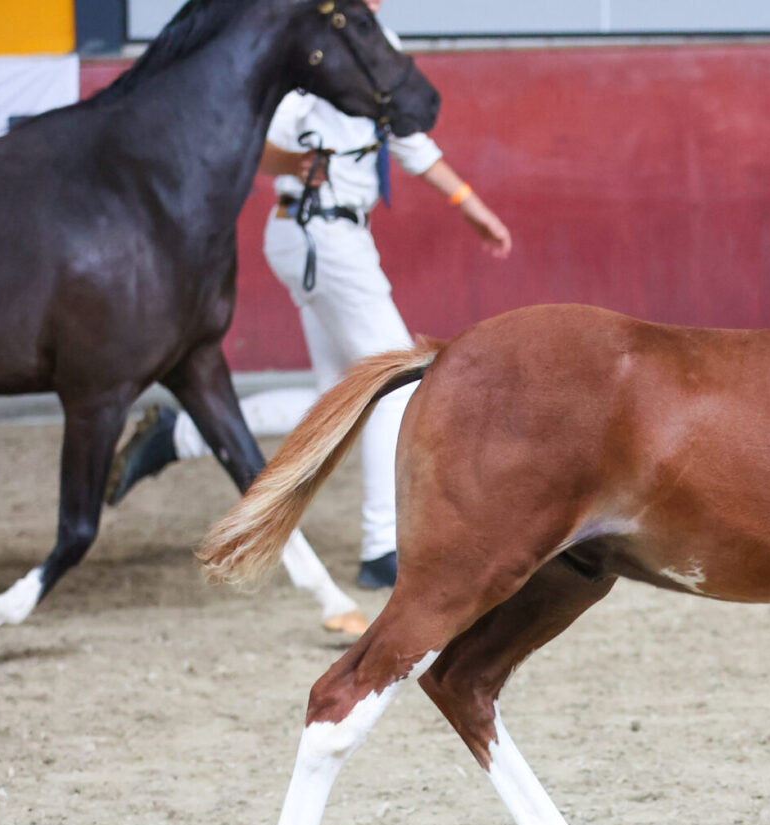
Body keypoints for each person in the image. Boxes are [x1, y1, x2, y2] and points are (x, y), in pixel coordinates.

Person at [107, 0, 511, 589]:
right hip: (317, 231)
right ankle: (382, 549)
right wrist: (294, 161)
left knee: (337, 395)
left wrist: (470, 206)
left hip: (338, 234)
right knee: (396, 383)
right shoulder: (308, 49)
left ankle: (180, 435)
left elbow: (408, 139)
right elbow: (253, 139)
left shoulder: (375, 40)